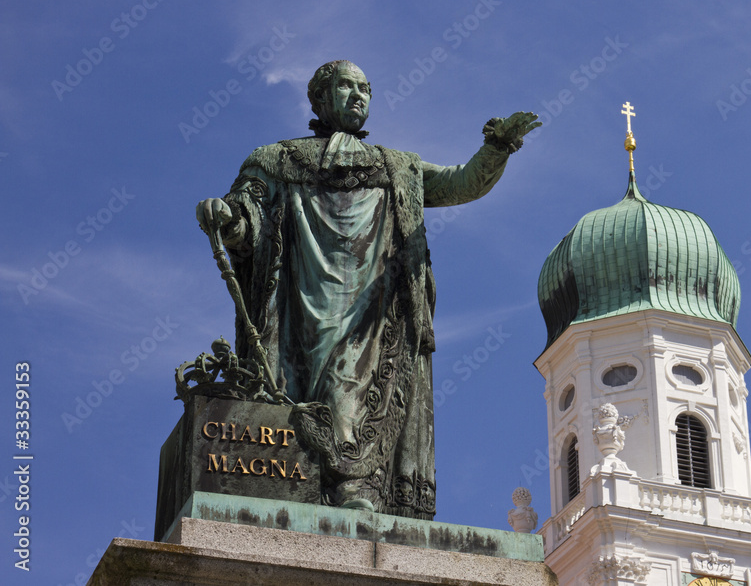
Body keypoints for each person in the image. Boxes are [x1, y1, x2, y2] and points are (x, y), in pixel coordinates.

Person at [195, 60, 539, 518]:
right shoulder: (275, 160)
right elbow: (247, 218)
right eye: (346, 86)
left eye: (365, 89)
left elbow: (461, 183)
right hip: (300, 302)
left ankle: (355, 486)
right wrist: (226, 217)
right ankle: (295, 479)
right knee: (294, 387)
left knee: (352, 386)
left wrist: (497, 148)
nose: (358, 96)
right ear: (320, 98)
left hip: (373, 310)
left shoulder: (396, 168)